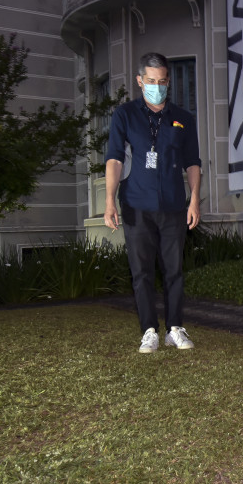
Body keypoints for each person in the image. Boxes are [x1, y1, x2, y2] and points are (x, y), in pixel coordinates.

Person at [104, 52, 202, 353]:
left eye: (161, 82)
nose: (156, 86)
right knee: (142, 271)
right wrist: (109, 200)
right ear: (139, 81)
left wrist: (194, 200)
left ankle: (175, 328)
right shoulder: (124, 115)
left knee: (173, 270)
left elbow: (193, 163)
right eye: (150, 81)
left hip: (173, 205)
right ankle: (149, 330)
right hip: (136, 204)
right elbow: (115, 159)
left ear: (168, 82)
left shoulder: (184, 119)